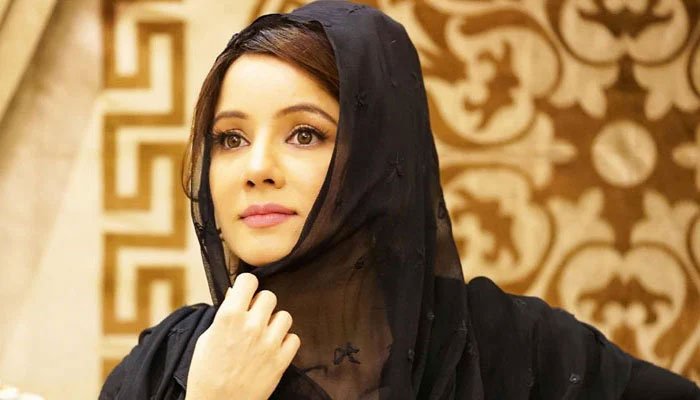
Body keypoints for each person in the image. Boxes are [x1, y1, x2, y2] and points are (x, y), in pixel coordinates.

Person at [99, 1, 700, 399]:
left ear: (377, 155)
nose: (256, 170)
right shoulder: (164, 369)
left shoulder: (518, 351)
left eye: (304, 134)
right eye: (230, 139)